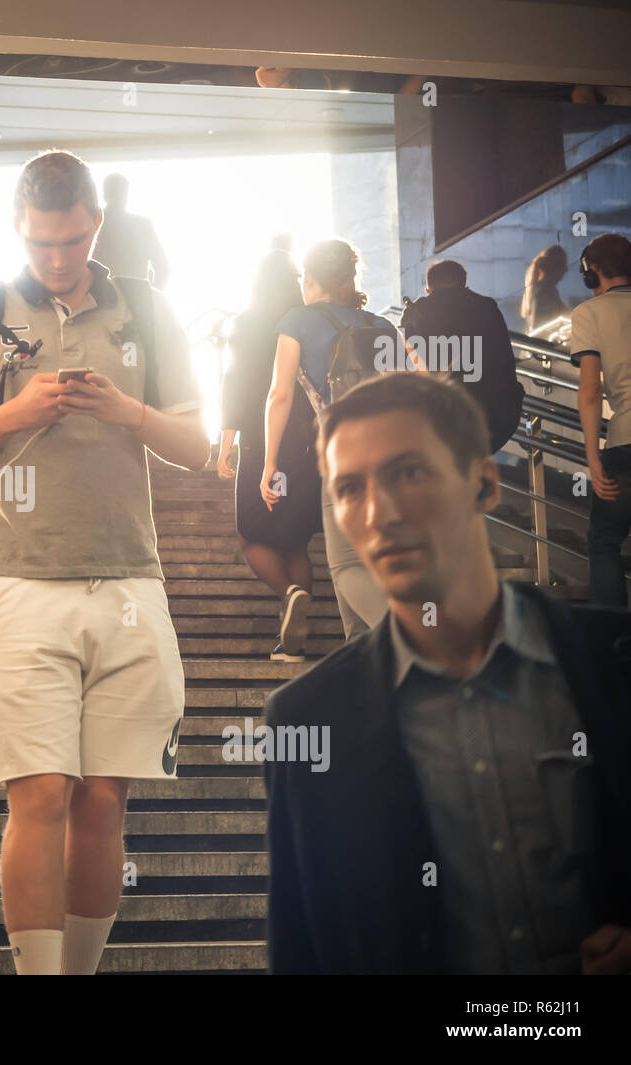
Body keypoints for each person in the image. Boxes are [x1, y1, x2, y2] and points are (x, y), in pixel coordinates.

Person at [0, 150, 208, 975]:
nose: (56, 258)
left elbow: (197, 444)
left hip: (130, 578)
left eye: (72, 240)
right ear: (17, 227)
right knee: (40, 791)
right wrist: (16, 409)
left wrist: (126, 408)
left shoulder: (146, 308)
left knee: (105, 799)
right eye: (41, 242)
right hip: (17, 575)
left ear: (96, 226)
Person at [264, 372, 631, 974]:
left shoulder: (614, 664)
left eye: (408, 473)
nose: (379, 514)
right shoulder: (306, 722)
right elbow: (304, 951)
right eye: (349, 488)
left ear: (484, 482)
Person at [262, 238, 402, 640]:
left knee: (346, 566)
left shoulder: (298, 320)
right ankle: (365, 678)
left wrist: (270, 462)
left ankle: (416, 641)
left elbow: (280, 394)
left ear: (310, 278)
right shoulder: (381, 325)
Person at [216, 245, 320, 661]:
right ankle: (294, 641)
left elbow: (236, 384)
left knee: (249, 534)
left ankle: (290, 593)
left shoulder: (247, 323)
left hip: (263, 444)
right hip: (307, 443)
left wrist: (226, 443)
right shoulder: (305, 321)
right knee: (296, 544)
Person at [400, 258, 524, 454]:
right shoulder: (487, 307)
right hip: (499, 416)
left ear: (428, 290)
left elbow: (409, 368)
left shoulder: (416, 312)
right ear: (465, 286)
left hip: (444, 419)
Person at [572, 232, 631, 606]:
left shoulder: (589, 313)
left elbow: (591, 390)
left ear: (591, 272)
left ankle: (617, 644)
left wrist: (593, 457)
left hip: (625, 444)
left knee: (605, 542)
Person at [91, 173, 169, 289]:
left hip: (104, 299)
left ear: (104, 195)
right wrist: (153, 298)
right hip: (132, 299)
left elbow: (162, 267)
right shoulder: (143, 225)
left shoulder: (93, 224)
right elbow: (162, 267)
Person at [521, 244, 571, 336]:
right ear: (553, 268)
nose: (566, 270)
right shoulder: (544, 293)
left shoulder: (539, 290)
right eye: (563, 266)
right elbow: (537, 330)